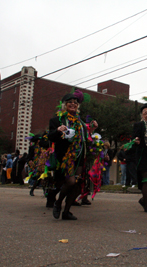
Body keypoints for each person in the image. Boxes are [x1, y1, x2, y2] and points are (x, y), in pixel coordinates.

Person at [48, 88, 98, 220]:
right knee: (70, 181)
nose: (73, 104)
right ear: (64, 105)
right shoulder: (57, 120)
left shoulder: (80, 123)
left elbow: (86, 138)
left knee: (77, 185)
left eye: (75, 102)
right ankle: (58, 203)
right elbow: (50, 137)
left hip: (80, 157)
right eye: (70, 102)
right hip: (65, 157)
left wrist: (92, 131)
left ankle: (66, 212)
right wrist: (58, 130)